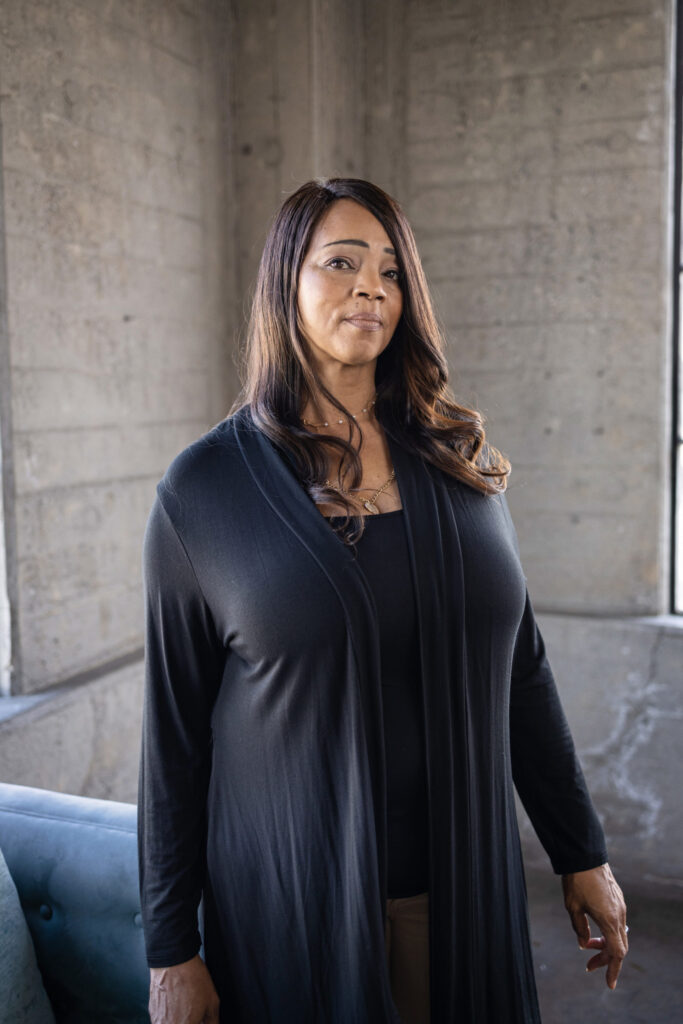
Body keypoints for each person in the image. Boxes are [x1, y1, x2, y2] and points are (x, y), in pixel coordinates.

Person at [137, 177, 628, 1024]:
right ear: (283, 285)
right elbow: (174, 740)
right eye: (341, 263)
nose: (372, 286)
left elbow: (521, 670)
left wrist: (580, 851)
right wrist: (170, 952)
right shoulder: (204, 492)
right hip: (295, 913)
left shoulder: (458, 463)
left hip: (465, 895)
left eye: (391, 271)